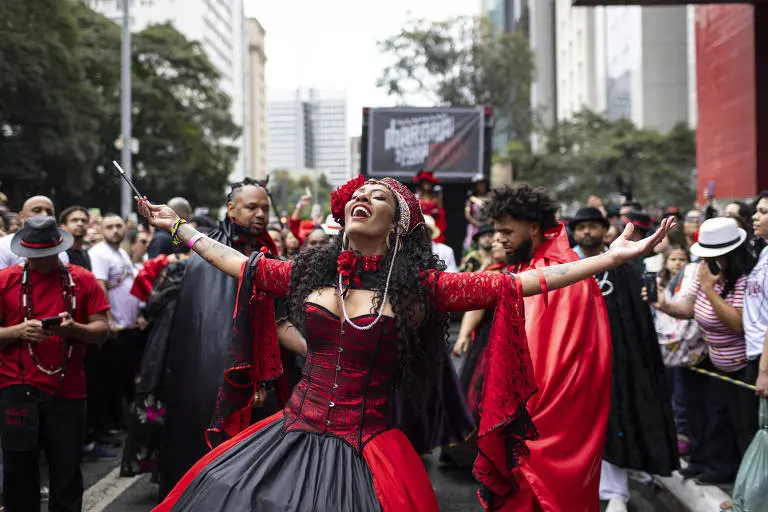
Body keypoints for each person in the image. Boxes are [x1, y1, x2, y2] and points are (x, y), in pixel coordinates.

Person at [136, 176, 673, 512]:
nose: (363, 199)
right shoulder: (308, 271)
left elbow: (521, 284)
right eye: (358, 195)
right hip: (290, 433)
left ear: (397, 227)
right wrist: (178, 226)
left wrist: (612, 258)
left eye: (378, 198)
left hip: (366, 449)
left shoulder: (425, 288)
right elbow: (237, 264)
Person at [156, 178, 303, 498]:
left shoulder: (269, 250)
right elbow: (217, 326)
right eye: (252, 207)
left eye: (264, 207)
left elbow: (274, 321)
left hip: (266, 383)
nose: (260, 213)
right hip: (213, 383)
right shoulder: (208, 254)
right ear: (231, 208)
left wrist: (263, 380)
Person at [485, 186, 613, 512]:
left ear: (532, 227)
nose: (499, 239)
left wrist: (517, 413)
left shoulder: (559, 273)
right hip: (528, 410)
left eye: (506, 231)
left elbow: (551, 359)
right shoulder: (532, 267)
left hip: (546, 418)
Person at [571, 207, 678, 512]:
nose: (587, 232)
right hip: (576, 358)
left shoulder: (625, 266)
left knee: (616, 420)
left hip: (617, 361)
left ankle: (616, 491)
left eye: (593, 226)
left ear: (604, 230)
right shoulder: (565, 265)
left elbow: (637, 318)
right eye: (582, 228)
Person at [0, 217, 110, 511]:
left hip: (68, 392)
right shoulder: (5, 280)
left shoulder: (82, 279)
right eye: (34, 256)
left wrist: (73, 329)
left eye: (46, 255)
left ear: (58, 249)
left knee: (66, 471)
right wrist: (18, 332)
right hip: (16, 388)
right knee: (18, 471)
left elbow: (102, 329)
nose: (40, 262)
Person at [655, 217, 757, 484]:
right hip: (712, 359)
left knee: (744, 426)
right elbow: (687, 309)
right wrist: (661, 302)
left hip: (745, 365)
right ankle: (710, 464)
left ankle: (745, 483)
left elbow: (737, 323)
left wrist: (711, 289)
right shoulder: (703, 270)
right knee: (711, 416)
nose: (709, 261)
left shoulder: (746, 279)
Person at [443, 232, 508, 467]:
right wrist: (462, 336)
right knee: (480, 394)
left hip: (508, 339)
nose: (498, 244)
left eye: (501, 240)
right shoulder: (492, 272)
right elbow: (475, 307)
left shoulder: (518, 269)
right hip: (489, 341)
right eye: (497, 241)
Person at [0, 196, 68, 268]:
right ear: (21, 216)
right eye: (37, 210)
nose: (44, 215)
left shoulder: (61, 252)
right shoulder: (3, 246)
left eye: (49, 212)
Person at [750, 191, 768, 397]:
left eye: (763, 212)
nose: (755, 216)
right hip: (755, 352)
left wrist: (764, 372)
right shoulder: (764, 252)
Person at [414, 170, 447, 244]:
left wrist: (437, 213)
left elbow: (442, 217)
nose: (427, 184)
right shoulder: (416, 197)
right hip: (419, 229)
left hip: (432, 229)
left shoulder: (436, 199)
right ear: (421, 183)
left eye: (429, 182)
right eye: (424, 181)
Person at [59, 206, 92, 271]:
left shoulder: (87, 254)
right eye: (74, 220)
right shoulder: (59, 254)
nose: (80, 224)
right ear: (63, 226)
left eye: (84, 220)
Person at [464, 174, 489, 251]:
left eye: (483, 184)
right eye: (479, 184)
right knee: (471, 246)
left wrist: (488, 222)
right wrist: (477, 224)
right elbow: (467, 215)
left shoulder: (490, 198)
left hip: (487, 226)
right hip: (475, 227)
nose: (481, 186)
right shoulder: (471, 199)